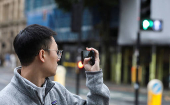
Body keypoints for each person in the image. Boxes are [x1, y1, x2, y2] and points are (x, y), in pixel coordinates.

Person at [0, 24, 110, 105]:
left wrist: (94, 75)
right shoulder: (5, 100)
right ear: (42, 55)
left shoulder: (58, 92)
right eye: (57, 52)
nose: (58, 58)